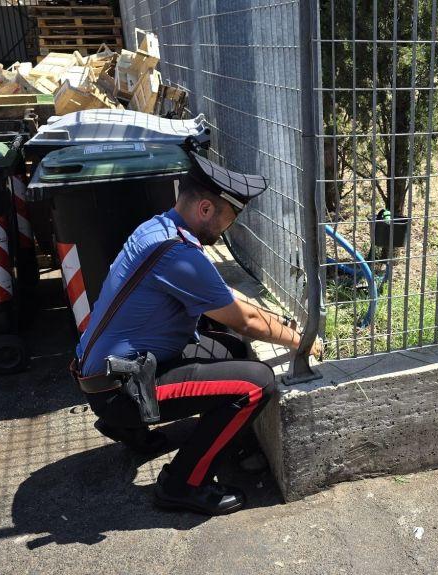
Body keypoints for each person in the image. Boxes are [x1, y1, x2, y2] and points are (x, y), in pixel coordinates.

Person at [70, 149, 322, 516]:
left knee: (232, 351)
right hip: (120, 390)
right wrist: (305, 343)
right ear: (206, 209)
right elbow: (245, 320)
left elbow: (227, 302)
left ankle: (133, 431)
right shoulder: (179, 255)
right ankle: (182, 484)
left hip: (104, 372)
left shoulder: (159, 229)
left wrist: (281, 323)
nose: (227, 229)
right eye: (228, 219)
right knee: (255, 384)